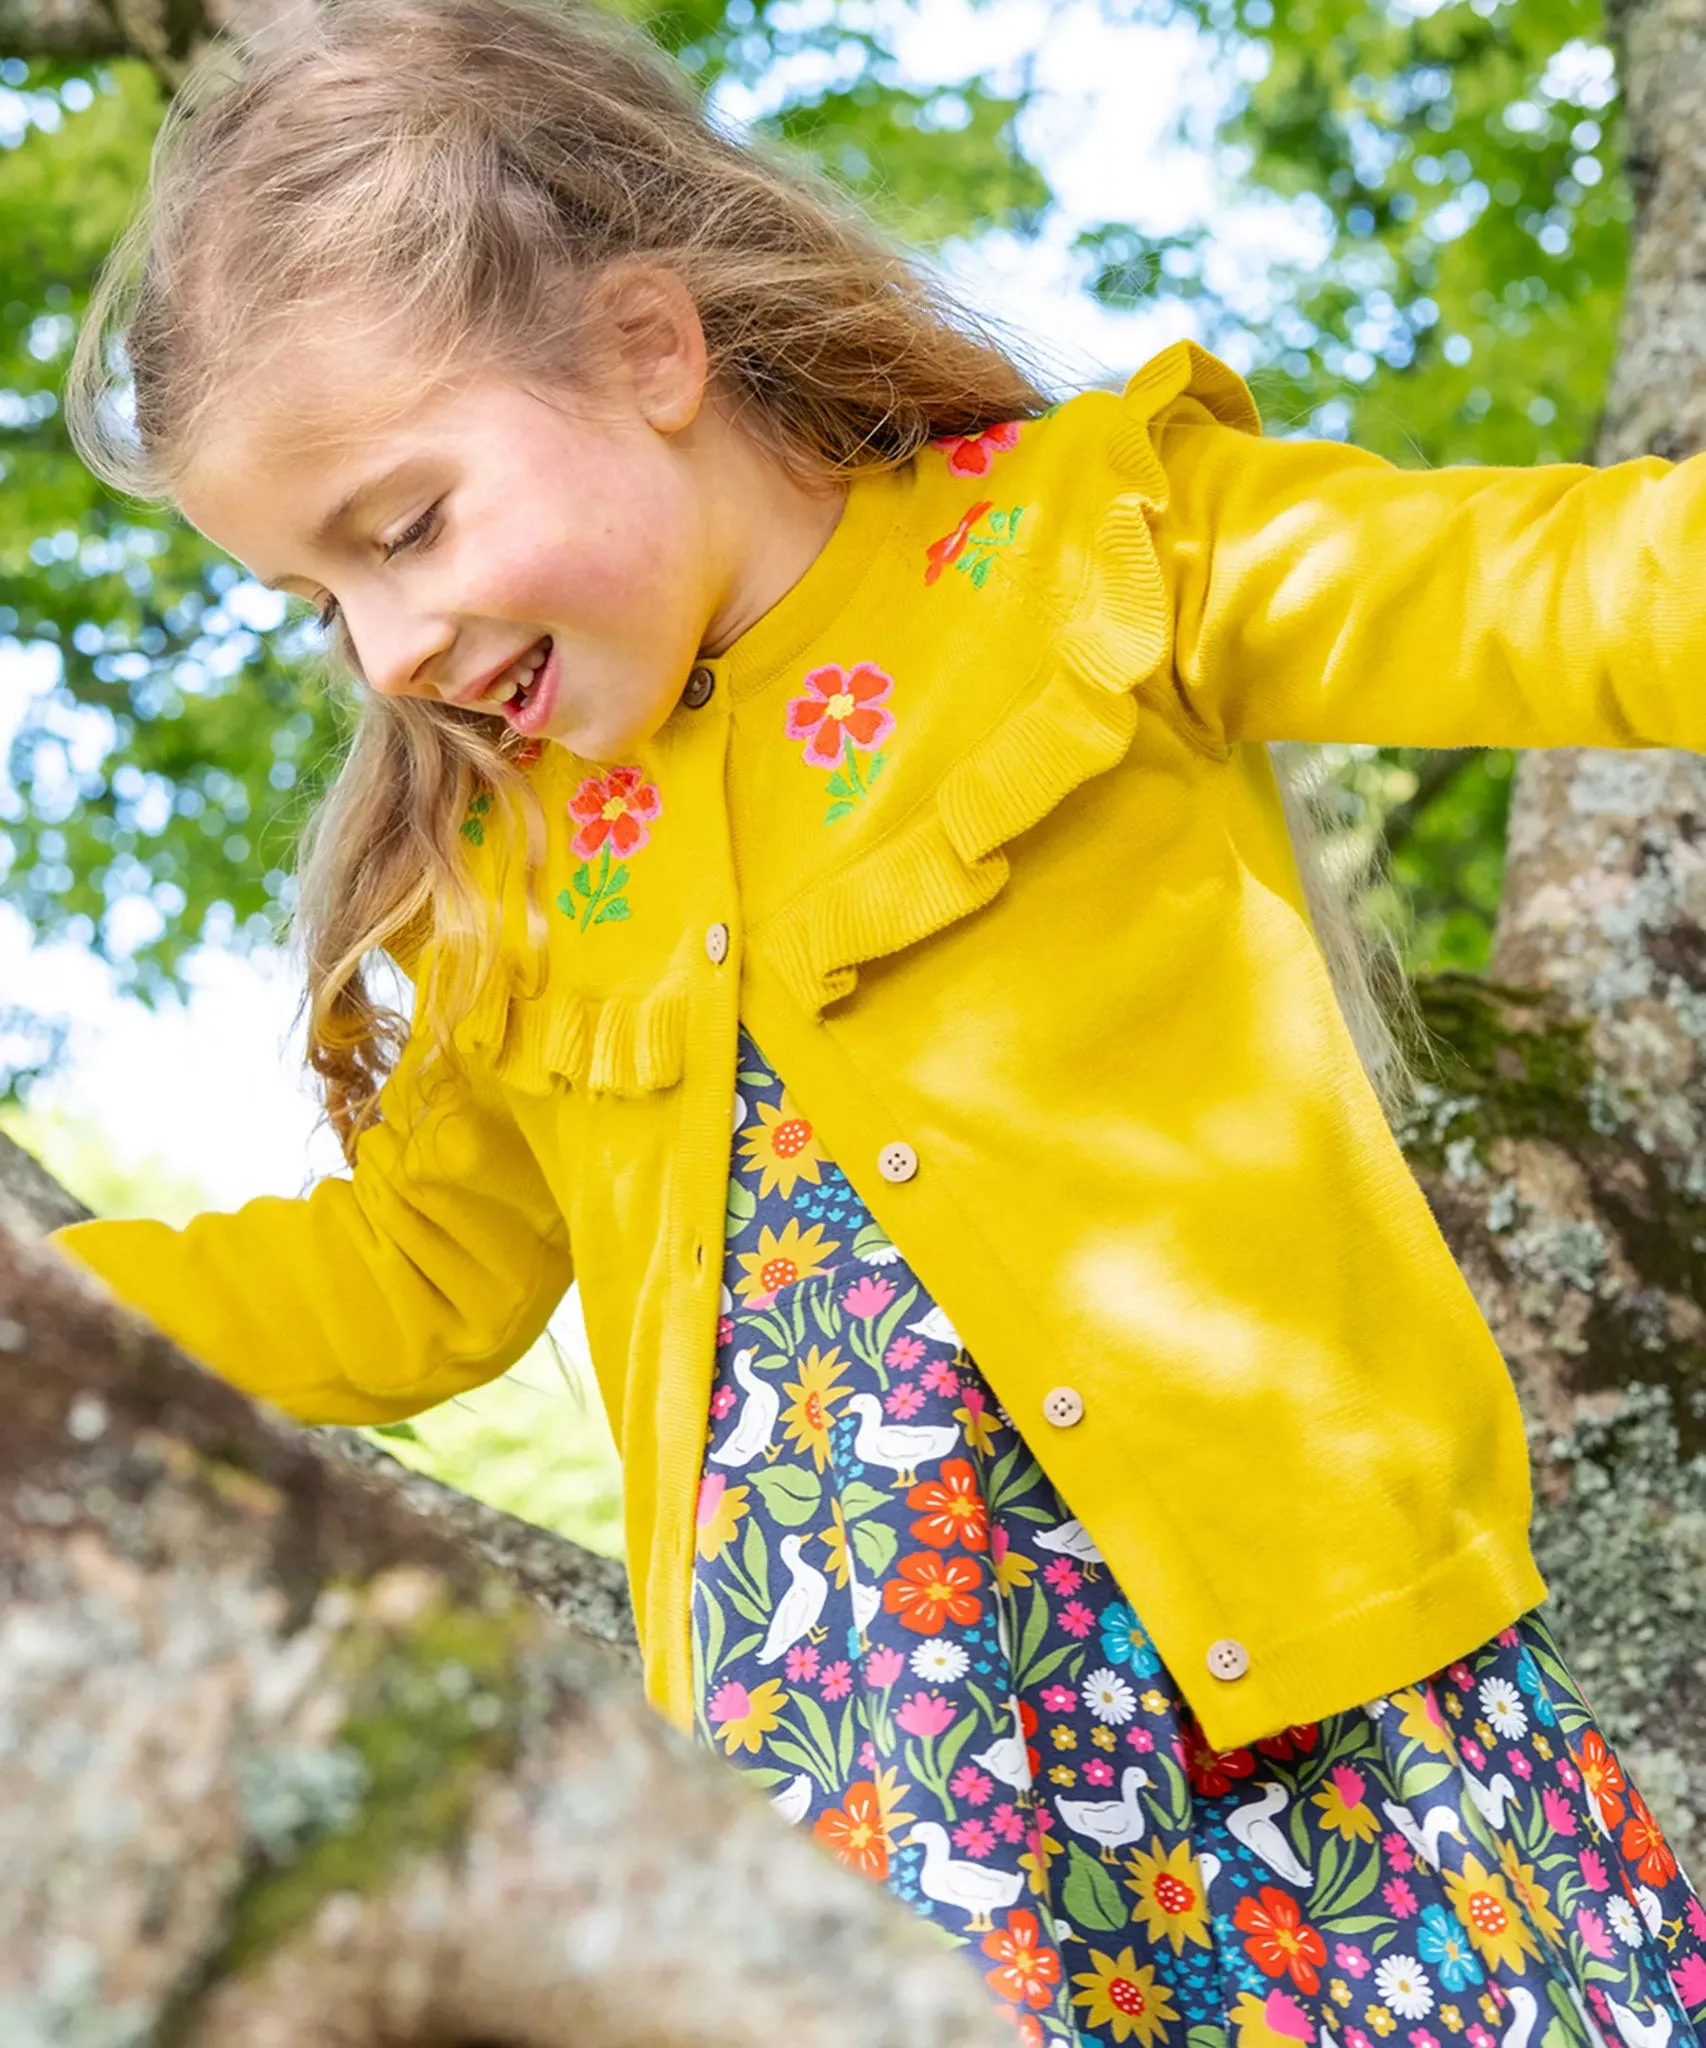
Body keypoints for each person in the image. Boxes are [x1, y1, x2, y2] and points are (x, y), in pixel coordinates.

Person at [54, 0, 1706, 2041]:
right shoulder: (514, 876)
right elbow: (407, 1281)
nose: (387, 647)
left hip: (1332, 1735)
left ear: (652, 351)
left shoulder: (1093, 547)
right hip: (857, 1802)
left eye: (404, 528)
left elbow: (1588, 592)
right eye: (322, 602)